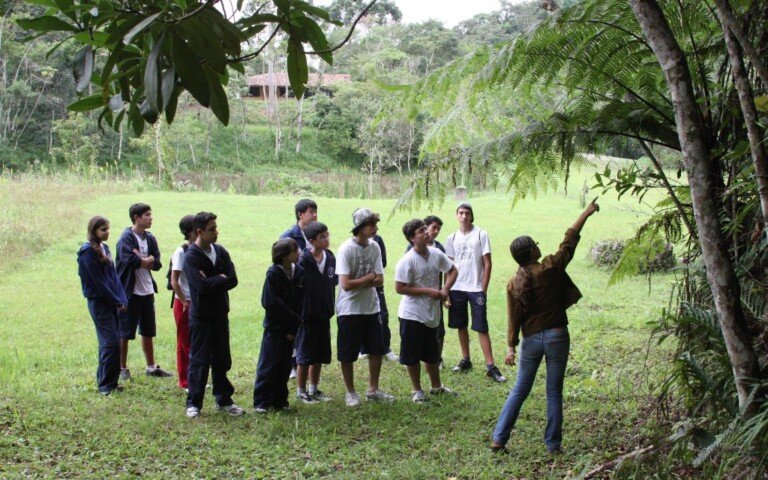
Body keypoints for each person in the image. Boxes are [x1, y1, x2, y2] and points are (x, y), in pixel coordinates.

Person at [491, 199, 599, 453]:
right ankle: (553, 445)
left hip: (530, 341)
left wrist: (510, 348)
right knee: (553, 392)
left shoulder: (513, 283)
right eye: (535, 245)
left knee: (520, 389)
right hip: (557, 336)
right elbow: (569, 240)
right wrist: (587, 212)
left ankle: (499, 438)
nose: (538, 247)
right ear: (531, 252)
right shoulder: (550, 267)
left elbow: (513, 318)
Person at [183, 212, 243, 418]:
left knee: (222, 358)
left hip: (220, 314)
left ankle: (223, 399)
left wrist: (214, 279)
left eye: (216, 228)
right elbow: (201, 286)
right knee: (199, 360)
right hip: (201, 316)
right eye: (212, 229)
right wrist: (220, 278)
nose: (216, 232)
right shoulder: (191, 256)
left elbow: (233, 280)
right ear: (199, 232)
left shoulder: (220, 251)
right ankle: (194, 403)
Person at [395, 219, 459, 403]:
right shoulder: (407, 261)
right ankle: (417, 390)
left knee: (432, 354)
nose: (427, 233)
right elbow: (399, 288)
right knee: (412, 354)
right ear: (411, 238)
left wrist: (445, 289)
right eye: (421, 231)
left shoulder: (436, 253)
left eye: (425, 229)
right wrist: (427, 291)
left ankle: (436, 387)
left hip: (431, 312)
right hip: (412, 314)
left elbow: (453, 270)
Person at [336, 208, 395, 407]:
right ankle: (350, 392)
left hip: (371, 307)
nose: (375, 228)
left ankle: (373, 389)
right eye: (372, 225)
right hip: (349, 309)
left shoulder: (375, 247)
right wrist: (368, 278)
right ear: (360, 228)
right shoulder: (346, 249)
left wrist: (363, 280)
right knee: (348, 353)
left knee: (376, 349)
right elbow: (345, 284)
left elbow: (379, 280)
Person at [444, 202, 505, 382]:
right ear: (457, 216)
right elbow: (448, 266)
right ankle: (466, 359)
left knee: (481, 326)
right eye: (461, 213)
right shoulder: (451, 238)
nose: (464, 216)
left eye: (467, 213)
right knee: (461, 325)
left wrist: (483, 289)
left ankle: (491, 365)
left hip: (476, 288)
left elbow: (487, 263)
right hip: (456, 287)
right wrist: (447, 291)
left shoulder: (480, 234)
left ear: (471, 216)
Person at [115, 203, 172, 380]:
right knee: (125, 331)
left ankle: (151, 367)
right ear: (136, 217)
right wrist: (146, 259)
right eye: (147, 215)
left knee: (148, 330)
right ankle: (122, 368)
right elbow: (129, 260)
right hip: (129, 292)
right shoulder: (126, 238)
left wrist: (143, 259)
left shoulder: (150, 238)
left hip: (147, 290)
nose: (150, 218)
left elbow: (157, 263)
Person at [77, 216, 128, 395]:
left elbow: (114, 277)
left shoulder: (105, 248)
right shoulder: (86, 252)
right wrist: (116, 300)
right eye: (103, 230)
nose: (107, 232)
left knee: (113, 342)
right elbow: (98, 282)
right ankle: (105, 385)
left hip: (112, 301)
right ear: (94, 231)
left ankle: (110, 382)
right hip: (99, 302)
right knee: (110, 343)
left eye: (108, 229)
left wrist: (122, 298)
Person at [253, 238, 305, 413]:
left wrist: (294, 326)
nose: (299, 253)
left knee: (284, 365)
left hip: (292, 327)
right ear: (284, 255)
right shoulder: (273, 274)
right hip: (275, 328)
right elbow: (270, 302)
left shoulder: (299, 273)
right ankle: (261, 402)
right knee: (269, 364)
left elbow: (301, 299)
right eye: (294, 250)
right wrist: (291, 319)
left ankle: (280, 401)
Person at [295, 222, 337, 404]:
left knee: (320, 352)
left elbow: (333, 280)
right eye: (322, 237)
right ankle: (301, 390)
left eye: (327, 235)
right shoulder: (303, 261)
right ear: (312, 241)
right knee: (305, 354)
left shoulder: (330, 257)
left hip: (324, 313)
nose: (326, 239)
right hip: (307, 315)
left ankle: (314, 388)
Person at [280, 198, 317, 379]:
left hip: (310, 289)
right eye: (311, 212)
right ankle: (290, 365)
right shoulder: (289, 236)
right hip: (294, 288)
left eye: (316, 211)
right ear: (300, 214)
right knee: (292, 327)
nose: (315, 215)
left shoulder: (316, 233)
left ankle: (301, 362)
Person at [407, 215, 447, 364]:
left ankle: (437, 358)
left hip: (437, 296)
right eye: (432, 228)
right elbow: (405, 280)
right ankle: (419, 358)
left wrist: (444, 291)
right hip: (418, 302)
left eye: (438, 229)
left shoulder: (439, 248)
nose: (434, 232)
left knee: (439, 328)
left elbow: (446, 270)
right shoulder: (411, 251)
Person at [360, 234, 399, 362]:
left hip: (376, 283)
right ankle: (363, 349)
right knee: (361, 316)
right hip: (361, 285)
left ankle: (386, 348)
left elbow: (383, 262)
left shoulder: (378, 240)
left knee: (383, 315)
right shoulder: (354, 243)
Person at [169, 215, 196, 391]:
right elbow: (174, 281)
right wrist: (184, 300)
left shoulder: (199, 250)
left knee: (194, 342)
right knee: (184, 341)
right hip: (184, 303)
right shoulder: (181, 252)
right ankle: (184, 380)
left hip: (196, 302)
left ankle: (194, 376)